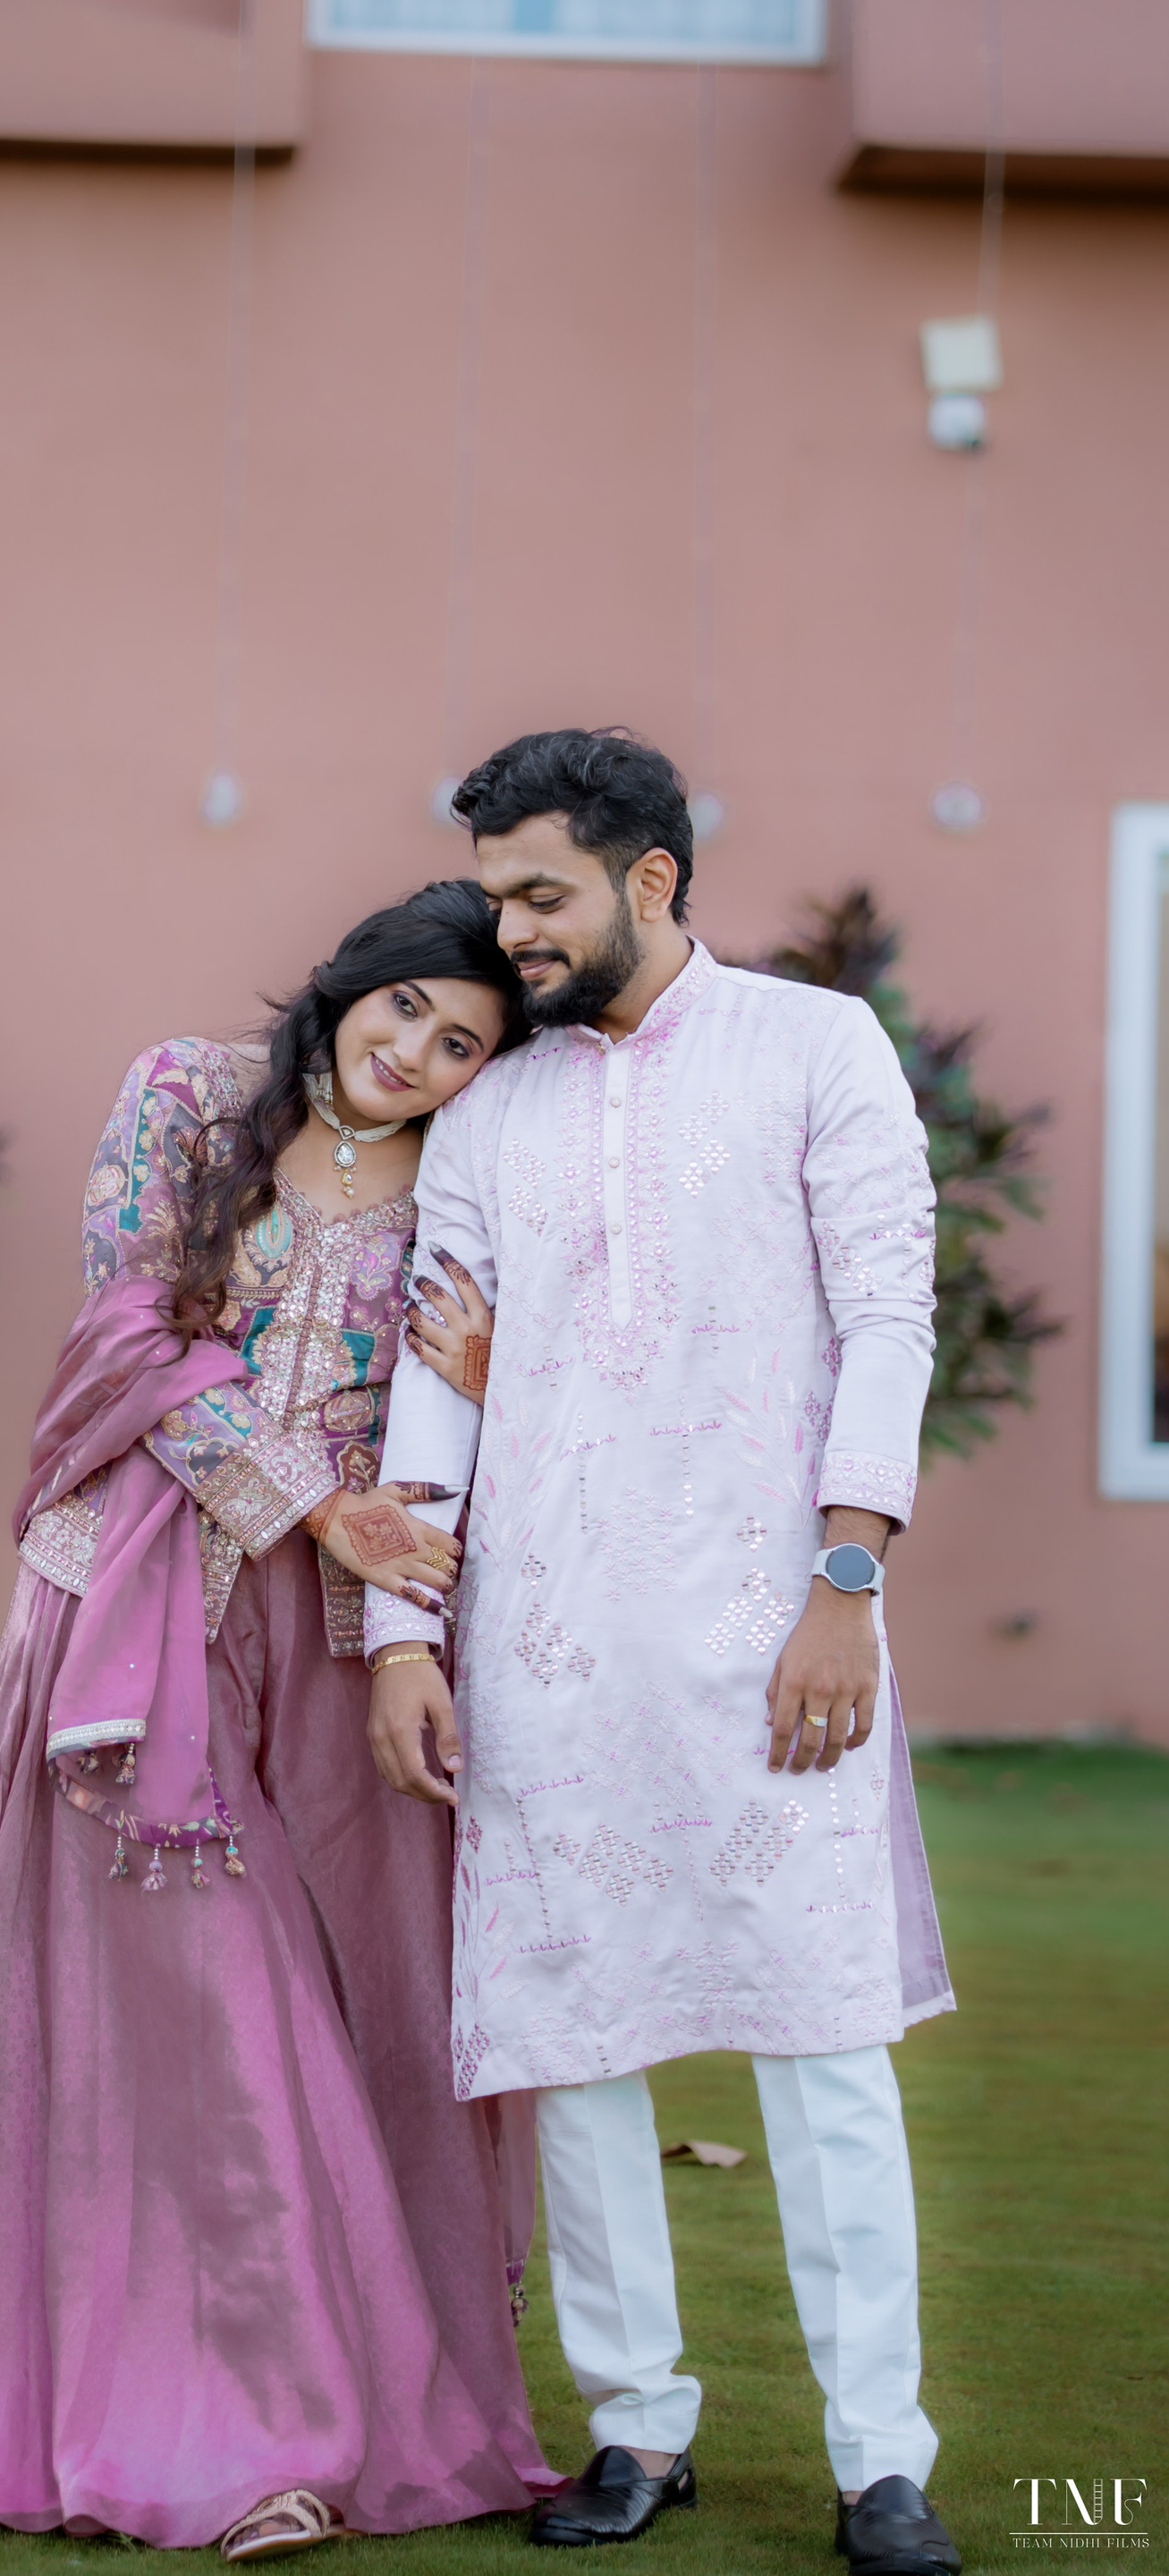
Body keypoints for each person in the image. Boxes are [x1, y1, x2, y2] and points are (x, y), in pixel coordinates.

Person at [0, 881, 555, 2558]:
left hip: (352, 1636)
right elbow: (132, 1330)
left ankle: (350, 2404)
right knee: (194, 2020)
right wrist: (316, 1500)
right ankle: (254, 2445)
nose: (417, 1053)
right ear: (352, 984)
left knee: (381, 2011)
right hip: (133, 1611)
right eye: (406, 1008)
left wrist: (499, 1373)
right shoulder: (186, 1092)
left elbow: (516, 1404)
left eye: (463, 1044)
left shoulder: (478, 1176)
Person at [365, 733, 962, 2573]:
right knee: (575, 2046)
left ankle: (880, 2461)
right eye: (497, 897)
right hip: (545, 1649)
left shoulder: (814, 1048)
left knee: (826, 2047)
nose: (510, 934)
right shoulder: (494, 1110)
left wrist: (846, 1585)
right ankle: (636, 2428)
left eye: (541, 894)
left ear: (651, 879)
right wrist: (401, 1634)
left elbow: (889, 1314)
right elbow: (439, 1380)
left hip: (781, 1640)